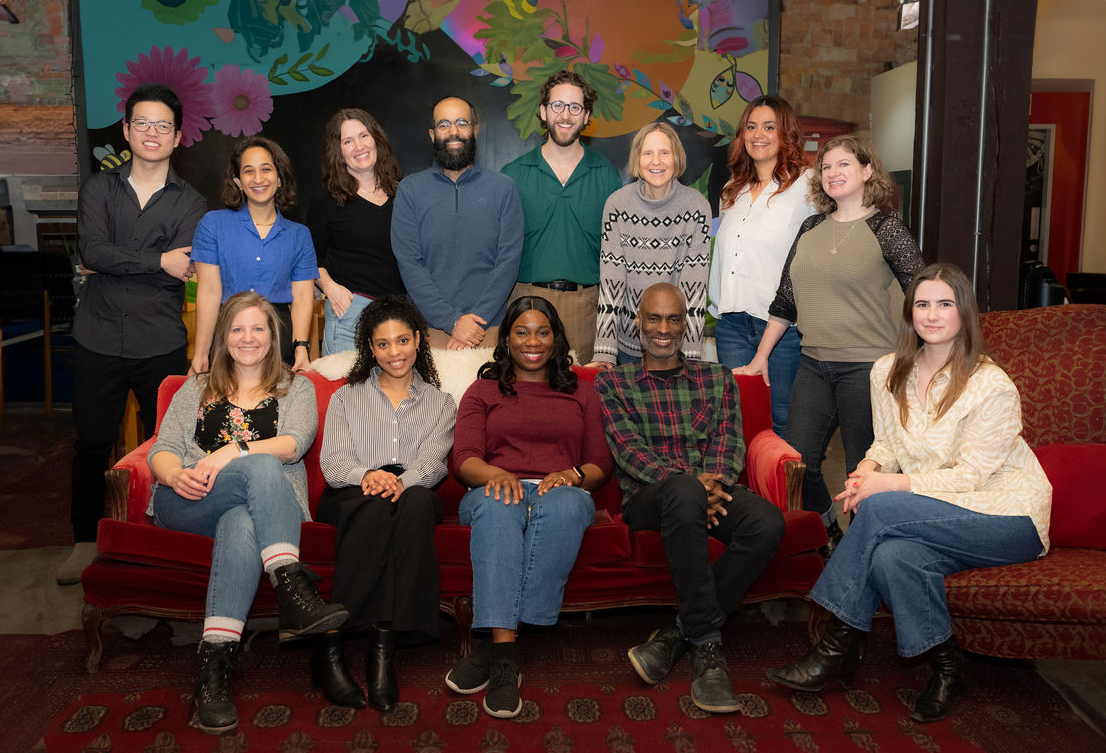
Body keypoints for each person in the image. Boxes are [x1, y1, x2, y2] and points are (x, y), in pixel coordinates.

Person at [765, 263, 1051, 724]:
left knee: (879, 508)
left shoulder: (990, 385)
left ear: (965, 313)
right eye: (922, 304)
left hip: (1007, 517)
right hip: (933, 513)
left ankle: (835, 643)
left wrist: (888, 485)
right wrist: (867, 470)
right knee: (891, 558)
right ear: (909, 312)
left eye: (945, 304)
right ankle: (947, 667)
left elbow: (973, 476)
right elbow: (888, 444)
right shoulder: (887, 372)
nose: (932, 315)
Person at [148, 292, 347, 734]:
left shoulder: (296, 388)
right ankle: (292, 588)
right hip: (189, 499)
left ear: (273, 336)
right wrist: (173, 475)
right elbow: (161, 450)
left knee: (240, 519)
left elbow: (294, 443)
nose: (248, 337)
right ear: (223, 337)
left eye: (258, 328)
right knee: (256, 466)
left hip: (263, 506)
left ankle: (214, 665)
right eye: (237, 328)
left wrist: (231, 451)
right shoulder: (196, 387)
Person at [594, 282, 785, 714]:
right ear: (637, 322)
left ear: (687, 324)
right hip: (648, 498)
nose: (664, 328)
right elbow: (628, 452)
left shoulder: (717, 378)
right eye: (654, 318)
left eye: (674, 319)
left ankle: (680, 634)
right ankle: (708, 649)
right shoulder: (614, 383)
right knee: (680, 488)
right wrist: (694, 485)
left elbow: (729, 442)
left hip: (710, 489)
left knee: (767, 522)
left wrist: (710, 485)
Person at [736, 134, 923, 549]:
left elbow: (923, 294)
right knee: (798, 465)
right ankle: (826, 530)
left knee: (863, 472)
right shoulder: (811, 227)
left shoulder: (886, 228)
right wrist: (760, 358)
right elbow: (785, 301)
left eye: (843, 165)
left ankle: (861, 555)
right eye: (826, 167)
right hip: (813, 365)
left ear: (867, 171)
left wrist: (922, 359)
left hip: (869, 368)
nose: (833, 173)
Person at [63, 82, 208, 585]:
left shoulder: (192, 203)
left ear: (177, 136)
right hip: (97, 337)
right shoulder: (98, 189)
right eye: (142, 123)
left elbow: (182, 266)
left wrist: (116, 263)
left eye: (162, 125)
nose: (152, 133)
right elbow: (93, 253)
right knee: (92, 444)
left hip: (158, 341)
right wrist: (155, 261)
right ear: (126, 130)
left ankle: (156, 537)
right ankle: (85, 540)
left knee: (162, 446)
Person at [444, 296, 613, 718]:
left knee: (568, 505)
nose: (532, 341)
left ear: (556, 340)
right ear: (507, 339)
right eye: (521, 331)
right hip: (493, 489)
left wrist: (574, 475)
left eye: (542, 332)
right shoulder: (482, 390)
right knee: (500, 508)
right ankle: (506, 658)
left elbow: (600, 465)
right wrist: (496, 475)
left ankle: (495, 647)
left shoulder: (583, 393)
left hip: (561, 491)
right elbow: (463, 459)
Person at [315, 296, 456, 711]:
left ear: (418, 340)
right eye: (383, 344)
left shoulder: (440, 402)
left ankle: (357, 645)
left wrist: (401, 480)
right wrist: (367, 476)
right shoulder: (346, 397)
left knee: (412, 504)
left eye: (402, 341)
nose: (394, 352)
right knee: (377, 506)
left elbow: (433, 464)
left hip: (412, 488)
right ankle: (357, 650)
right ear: (370, 349)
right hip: (350, 490)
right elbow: (334, 463)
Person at [708, 95, 815, 438]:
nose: (759, 134)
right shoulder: (731, 190)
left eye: (770, 127)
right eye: (751, 127)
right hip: (732, 327)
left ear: (786, 134)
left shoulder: (808, 185)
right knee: (737, 423)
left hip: (782, 329)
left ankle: (781, 494)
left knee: (783, 422)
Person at [502, 70, 622, 363]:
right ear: (543, 112)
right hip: (525, 303)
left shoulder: (606, 176)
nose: (565, 115)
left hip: (585, 306)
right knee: (525, 397)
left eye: (575, 107)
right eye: (557, 105)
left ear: (586, 116)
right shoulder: (512, 176)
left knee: (579, 397)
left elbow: (618, 258)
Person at [391, 96, 524, 350]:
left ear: (475, 128)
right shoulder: (410, 190)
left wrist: (475, 322)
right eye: (444, 124)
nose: (453, 132)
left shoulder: (503, 189)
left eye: (462, 123)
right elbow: (410, 265)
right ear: (432, 134)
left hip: (488, 330)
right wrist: (452, 321)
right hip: (428, 330)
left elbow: (508, 262)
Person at [191, 136, 318, 374]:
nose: (258, 179)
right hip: (226, 337)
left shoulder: (299, 235)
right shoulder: (213, 225)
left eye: (266, 169)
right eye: (249, 171)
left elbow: (302, 296)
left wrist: (301, 348)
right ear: (238, 181)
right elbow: (208, 291)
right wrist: (200, 353)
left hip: (279, 340)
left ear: (280, 178)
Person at [591, 122, 711, 366]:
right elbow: (611, 284)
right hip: (628, 346)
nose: (656, 161)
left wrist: (691, 358)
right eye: (648, 153)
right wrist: (604, 352)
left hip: (674, 348)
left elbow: (694, 290)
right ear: (637, 159)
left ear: (676, 158)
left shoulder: (697, 207)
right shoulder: (617, 205)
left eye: (664, 153)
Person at [308, 108, 405, 355]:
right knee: (346, 392)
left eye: (363, 136)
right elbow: (309, 256)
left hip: (399, 316)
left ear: (376, 140)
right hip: (351, 313)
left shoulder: (403, 194)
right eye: (347, 141)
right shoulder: (326, 200)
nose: (358, 146)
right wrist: (329, 287)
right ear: (338, 151)